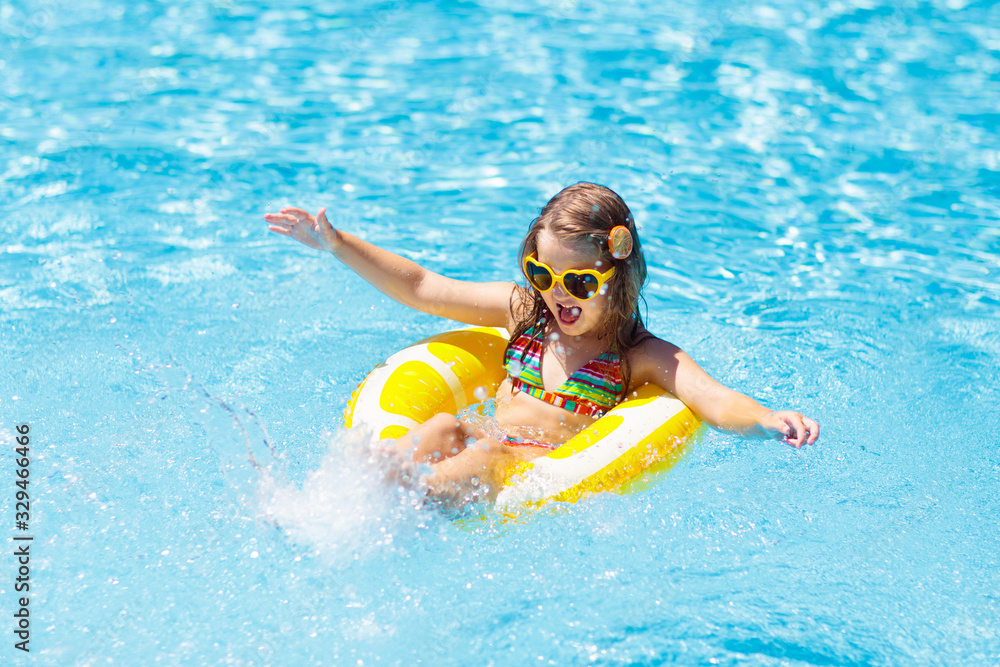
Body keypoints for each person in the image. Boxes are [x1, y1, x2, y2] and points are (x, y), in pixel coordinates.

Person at [264, 182, 819, 502]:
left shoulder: (637, 356)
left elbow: (714, 399)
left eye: (578, 281)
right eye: (542, 274)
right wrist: (336, 243)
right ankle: (334, 503)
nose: (558, 294)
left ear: (618, 276)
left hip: (524, 462)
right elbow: (424, 288)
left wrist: (769, 419)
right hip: (485, 433)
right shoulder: (524, 314)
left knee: (482, 453)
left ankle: (390, 509)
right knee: (444, 428)